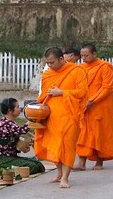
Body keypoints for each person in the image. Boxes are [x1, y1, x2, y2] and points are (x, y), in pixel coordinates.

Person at [35, 46, 88, 189]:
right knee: (55, 146)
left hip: (70, 115)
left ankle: (65, 177)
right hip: (52, 115)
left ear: (61, 59)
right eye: (47, 63)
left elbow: (82, 92)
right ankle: (59, 173)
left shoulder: (77, 71)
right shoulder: (47, 74)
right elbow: (43, 95)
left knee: (67, 146)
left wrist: (62, 92)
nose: (49, 65)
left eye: (52, 62)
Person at [74, 44, 113, 170]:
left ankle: (99, 161)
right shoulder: (80, 68)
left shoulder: (105, 67)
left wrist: (92, 100)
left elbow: (107, 87)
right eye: (82, 56)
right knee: (83, 133)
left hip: (100, 106)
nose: (84, 58)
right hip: (84, 106)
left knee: (99, 133)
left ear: (94, 54)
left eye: (86, 55)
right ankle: (82, 162)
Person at [0, 98, 45, 175]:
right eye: (17, 107)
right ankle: (0, 170)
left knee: (37, 164)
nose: (20, 109)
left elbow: (18, 135)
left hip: (9, 157)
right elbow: (22, 130)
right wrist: (32, 117)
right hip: (0, 158)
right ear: (9, 110)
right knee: (32, 166)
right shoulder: (5, 124)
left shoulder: (9, 122)